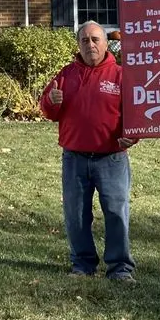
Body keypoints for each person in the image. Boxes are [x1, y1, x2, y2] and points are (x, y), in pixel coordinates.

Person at [41, 20, 137, 282]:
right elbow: (48, 110)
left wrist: (133, 136)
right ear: (79, 45)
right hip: (74, 158)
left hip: (112, 158)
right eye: (85, 40)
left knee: (117, 212)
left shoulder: (120, 75)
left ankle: (120, 269)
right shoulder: (66, 74)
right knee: (76, 214)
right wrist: (51, 102)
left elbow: (136, 114)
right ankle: (82, 265)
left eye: (95, 39)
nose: (90, 45)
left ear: (106, 44)